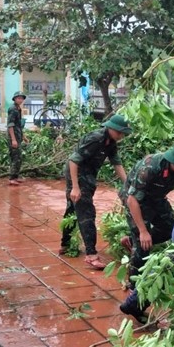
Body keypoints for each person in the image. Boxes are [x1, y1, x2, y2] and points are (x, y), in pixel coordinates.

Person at [119, 142, 174, 323]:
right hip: (135, 202)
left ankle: (133, 242)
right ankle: (135, 287)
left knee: (172, 230)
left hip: (157, 199)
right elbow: (132, 199)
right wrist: (142, 231)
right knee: (143, 246)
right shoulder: (149, 167)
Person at [59, 114, 132, 270]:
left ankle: (65, 245)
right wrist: (75, 187)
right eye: (120, 132)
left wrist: (127, 184)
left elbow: (116, 163)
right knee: (86, 212)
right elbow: (73, 160)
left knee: (72, 209)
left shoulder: (111, 142)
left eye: (123, 133)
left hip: (89, 175)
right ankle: (91, 255)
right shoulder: (96, 138)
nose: (121, 136)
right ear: (111, 128)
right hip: (77, 175)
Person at [6, 91, 29, 185]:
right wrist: (13, 140)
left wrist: (23, 137)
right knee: (15, 157)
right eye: (18, 98)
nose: (20, 99)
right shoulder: (12, 109)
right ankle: (12, 178)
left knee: (18, 157)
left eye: (21, 98)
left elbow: (18, 125)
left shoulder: (18, 108)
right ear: (15, 99)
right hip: (13, 137)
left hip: (18, 136)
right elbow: (10, 125)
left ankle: (15, 176)